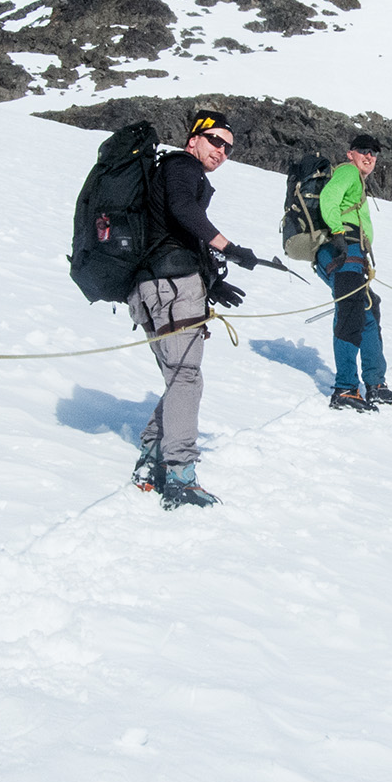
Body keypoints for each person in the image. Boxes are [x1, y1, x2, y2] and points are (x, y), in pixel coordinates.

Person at [128, 109, 260, 510]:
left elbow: (176, 224)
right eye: (216, 141)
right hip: (172, 287)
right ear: (193, 139)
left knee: (177, 376)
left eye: (229, 148)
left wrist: (213, 281)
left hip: (152, 287)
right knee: (187, 378)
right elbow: (186, 211)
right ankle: (180, 474)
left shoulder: (172, 170)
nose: (222, 151)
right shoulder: (182, 166)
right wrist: (229, 248)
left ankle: (151, 458)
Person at [316, 134, 392, 411]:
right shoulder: (349, 171)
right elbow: (329, 197)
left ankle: (375, 384)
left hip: (352, 253)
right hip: (343, 249)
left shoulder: (357, 179)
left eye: (374, 153)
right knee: (351, 311)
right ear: (350, 153)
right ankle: (345, 388)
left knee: (367, 311)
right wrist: (339, 233)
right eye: (364, 150)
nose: (370, 156)